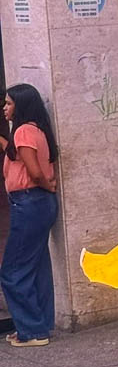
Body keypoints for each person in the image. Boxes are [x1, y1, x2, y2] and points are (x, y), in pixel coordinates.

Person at [0, 83, 60, 347]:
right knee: (36, 267)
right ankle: (40, 325)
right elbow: (14, 153)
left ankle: (32, 331)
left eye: (9, 103)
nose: (4, 108)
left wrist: (47, 185)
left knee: (12, 271)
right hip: (37, 205)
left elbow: (35, 172)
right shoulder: (35, 129)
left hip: (30, 202)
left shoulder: (23, 131)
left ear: (20, 106)